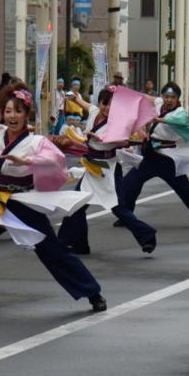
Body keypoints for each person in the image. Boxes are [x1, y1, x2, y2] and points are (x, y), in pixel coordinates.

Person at [0, 82, 106, 312]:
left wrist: (27, 161)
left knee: (52, 251)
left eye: (18, 111)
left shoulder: (35, 141)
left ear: (26, 114)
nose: (12, 116)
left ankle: (92, 293)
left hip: (24, 203)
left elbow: (55, 160)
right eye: (8, 111)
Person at [111, 82, 189, 254]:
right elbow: (142, 97)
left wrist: (159, 119)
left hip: (167, 159)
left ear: (178, 98)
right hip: (150, 155)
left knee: (184, 188)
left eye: (172, 97)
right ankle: (126, 215)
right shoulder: (159, 103)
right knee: (130, 183)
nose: (169, 100)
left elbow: (180, 121)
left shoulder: (180, 112)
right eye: (166, 96)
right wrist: (121, 90)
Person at [55, 85, 125, 256]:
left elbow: (124, 141)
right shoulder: (94, 111)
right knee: (78, 204)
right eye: (104, 104)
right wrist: (74, 97)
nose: (107, 108)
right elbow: (84, 103)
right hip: (92, 165)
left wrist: (104, 139)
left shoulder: (115, 124)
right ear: (99, 103)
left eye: (111, 106)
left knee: (116, 207)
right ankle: (77, 244)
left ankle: (145, 234)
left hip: (106, 167)